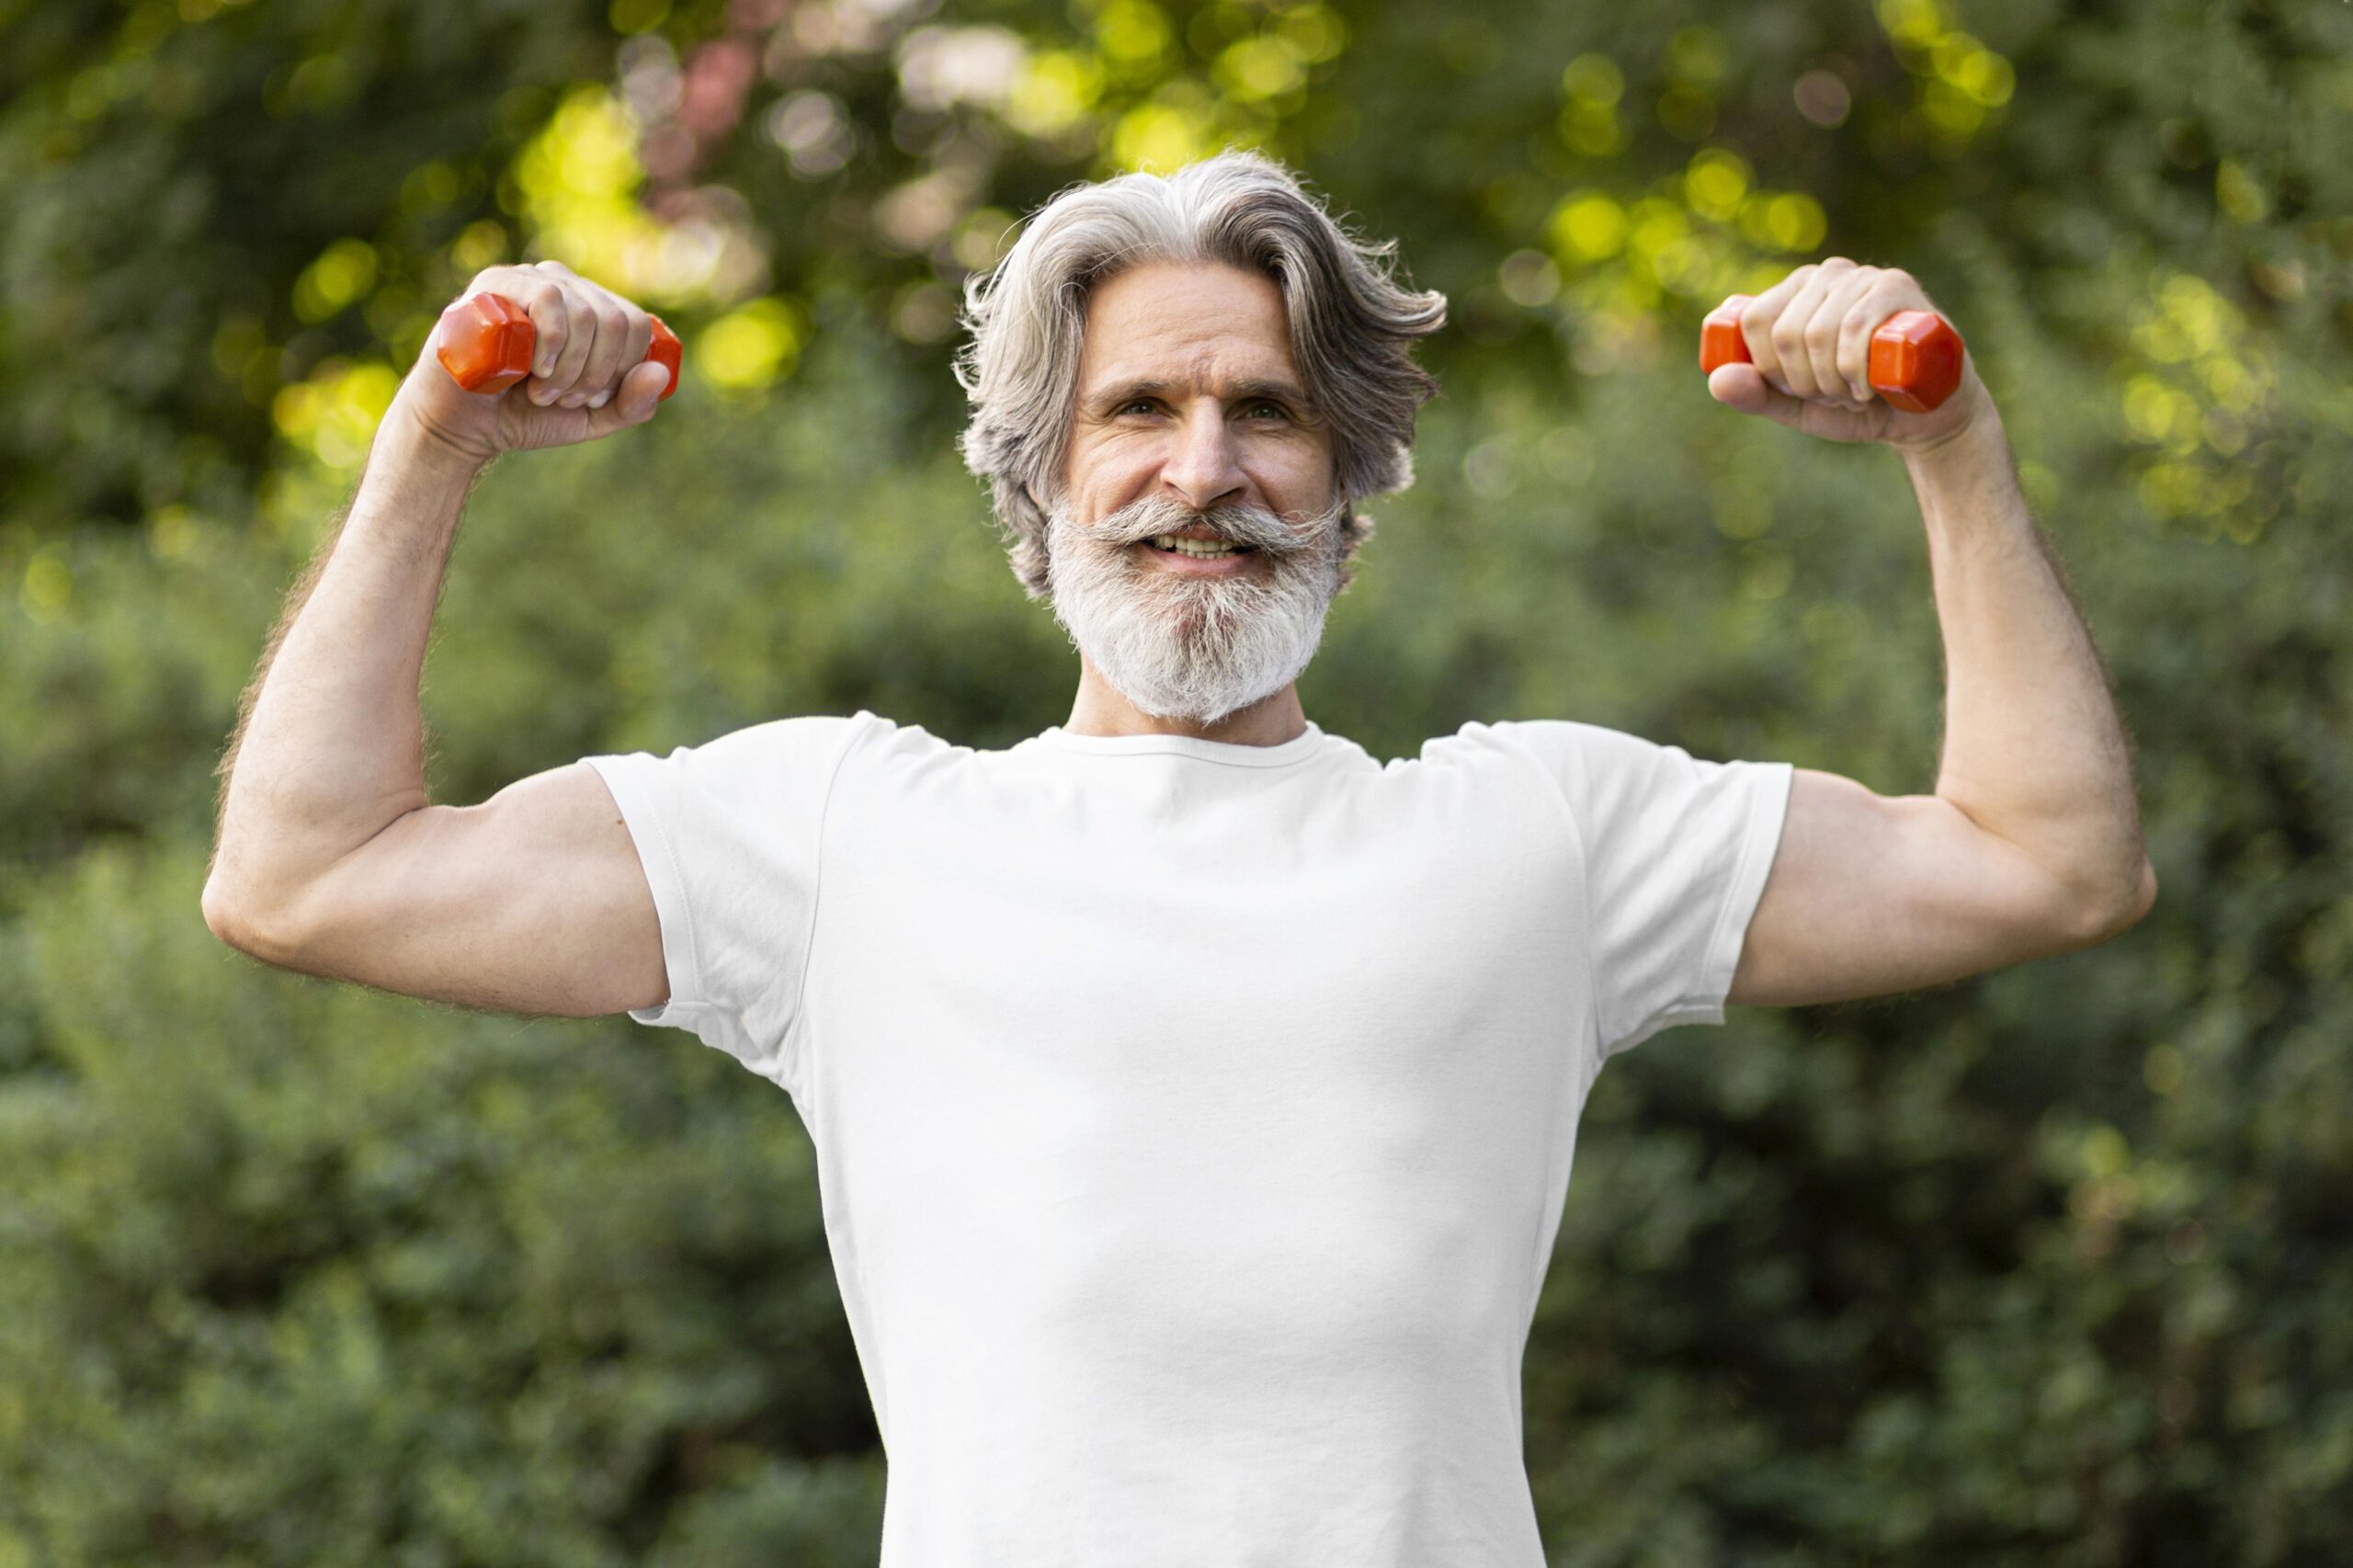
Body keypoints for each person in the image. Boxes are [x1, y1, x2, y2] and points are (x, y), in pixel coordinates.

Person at [202, 149, 2155, 1566]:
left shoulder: (1534, 834)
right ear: (1039, 489)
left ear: (1351, 488)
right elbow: (306, 874)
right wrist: (432, 446)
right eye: (1135, 409)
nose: (1201, 467)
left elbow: (2042, 856)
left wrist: (1951, 439)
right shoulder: (840, 837)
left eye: (1266, 412)